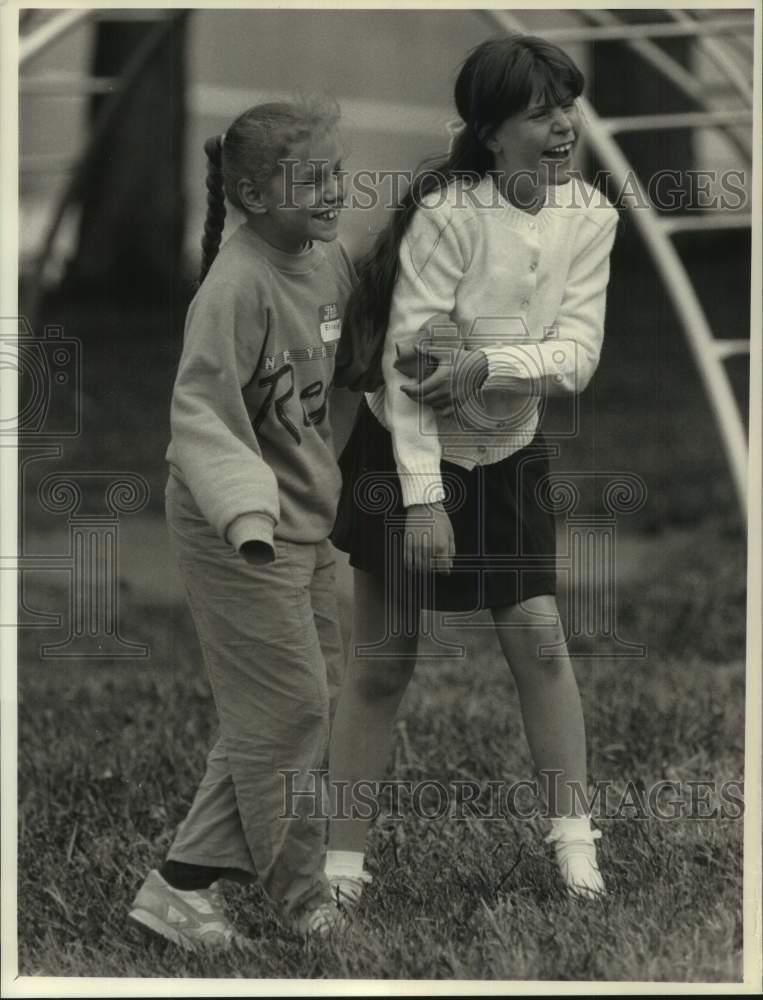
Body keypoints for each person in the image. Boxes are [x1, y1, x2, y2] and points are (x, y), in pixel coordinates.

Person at [328, 35, 619, 907]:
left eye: (566, 107)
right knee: (382, 663)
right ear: (490, 133)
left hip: (509, 453)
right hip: (406, 454)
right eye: (538, 113)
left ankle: (576, 852)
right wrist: (423, 502)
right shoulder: (449, 216)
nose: (562, 126)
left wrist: (487, 367)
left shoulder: (591, 217)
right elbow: (405, 372)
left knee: (540, 640)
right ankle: (339, 871)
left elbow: (577, 357)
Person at [128, 98, 356, 950]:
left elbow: (363, 344)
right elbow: (199, 414)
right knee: (289, 709)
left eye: (339, 174)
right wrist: (247, 515)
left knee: (294, 704)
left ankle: (178, 889)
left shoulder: (325, 261)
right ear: (255, 197)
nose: (335, 192)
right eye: (313, 180)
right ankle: (305, 903)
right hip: (236, 530)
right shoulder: (235, 287)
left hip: (303, 522)